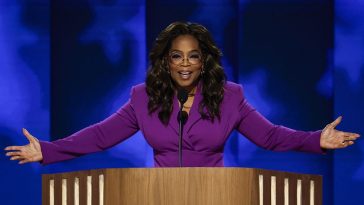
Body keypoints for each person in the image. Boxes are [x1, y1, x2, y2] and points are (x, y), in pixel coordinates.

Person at [4, 22, 360, 167]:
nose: (185, 64)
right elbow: (100, 136)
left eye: (193, 56)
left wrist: (316, 140)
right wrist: (48, 150)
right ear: (166, 62)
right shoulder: (143, 98)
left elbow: (269, 136)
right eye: (177, 56)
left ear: (203, 62)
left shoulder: (230, 96)